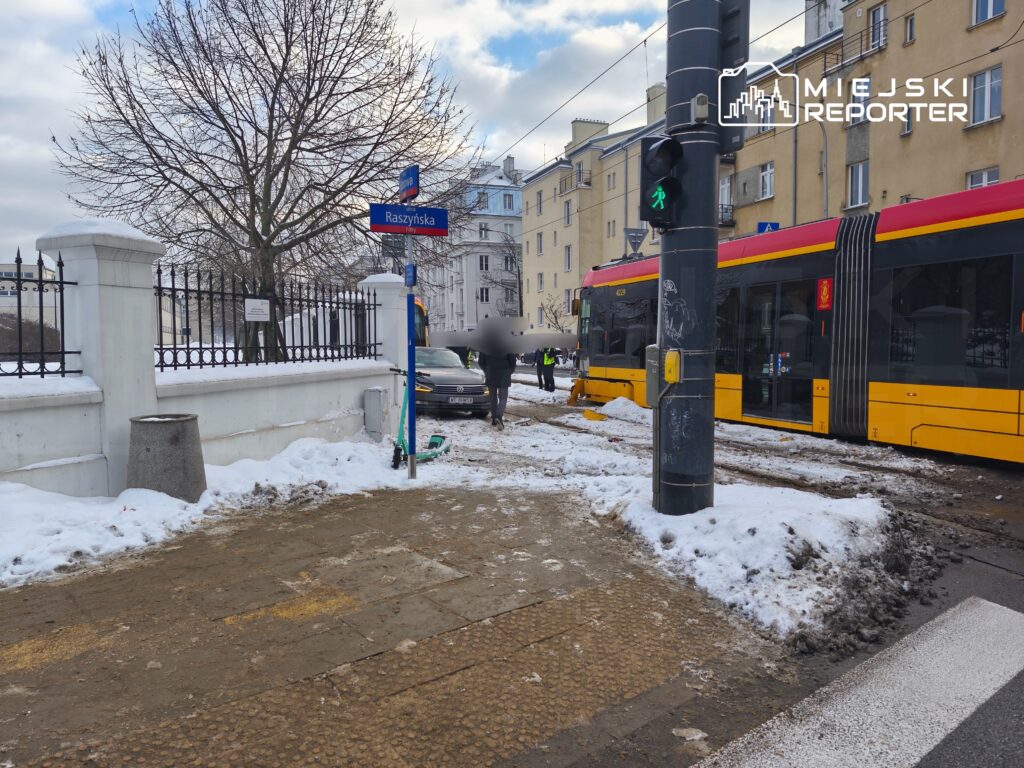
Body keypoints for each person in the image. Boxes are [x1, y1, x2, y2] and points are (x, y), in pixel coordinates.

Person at [478, 334, 516, 429]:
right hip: (504, 375)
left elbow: (481, 362)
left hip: (491, 375)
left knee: (493, 398)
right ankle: (499, 416)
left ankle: (494, 419)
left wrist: (487, 371)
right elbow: (513, 362)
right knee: (503, 397)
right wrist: (509, 372)